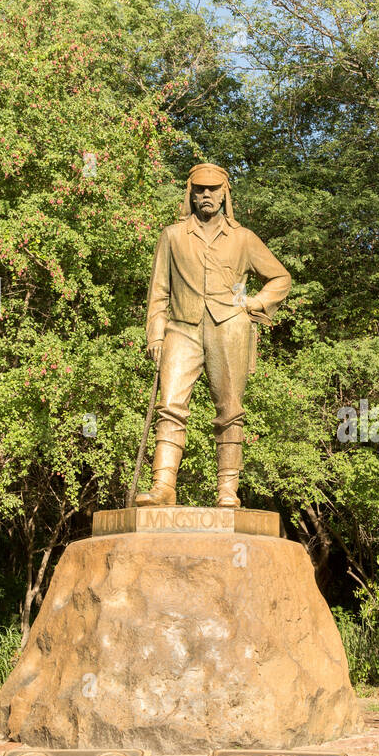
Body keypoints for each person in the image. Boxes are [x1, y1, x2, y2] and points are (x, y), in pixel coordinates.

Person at [137, 163, 291, 508]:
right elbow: (158, 292)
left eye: (213, 189)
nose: (206, 195)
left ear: (225, 193)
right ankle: (163, 487)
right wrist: (155, 336)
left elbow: (280, 278)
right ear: (190, 193)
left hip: (230, 329)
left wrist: (254, 304)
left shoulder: (243, 238)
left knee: (230, 411)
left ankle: (227, 492)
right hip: (181, 329)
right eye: (200, 189)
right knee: (170, 407)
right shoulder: (172, 236)